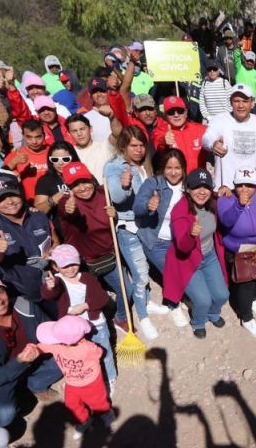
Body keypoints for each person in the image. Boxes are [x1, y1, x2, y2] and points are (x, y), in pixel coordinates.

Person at [0, 272, 62, 427]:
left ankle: (35, 384)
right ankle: (16, 396)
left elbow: (50, 333)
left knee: (69, 357)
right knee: (2, 415)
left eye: (0, 292)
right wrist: (19, 362)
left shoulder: (25, 306)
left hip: (33, 364)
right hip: (0, 380)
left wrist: (51, 345)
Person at [104, 126, 166, 341]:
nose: (139, 150)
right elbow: (117, 197)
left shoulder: (143, 163)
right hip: (128, 228)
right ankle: (143, 316)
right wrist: (124, 185)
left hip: (146, 224)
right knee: (140, 274)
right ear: (123, 145)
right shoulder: (114, 167)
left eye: (142, 145)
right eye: (134, 146)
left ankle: (146, 301)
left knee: (145, 267)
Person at [57, 162, 133, 330]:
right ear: (69, 187)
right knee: (93, 299)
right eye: (76, 185)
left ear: (91, 179)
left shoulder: (103, 193)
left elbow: (112, 221)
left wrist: (115, 215)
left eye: (84, 181)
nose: (82, 188)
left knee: (127, 290)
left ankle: (120, 318)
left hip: (108, 257)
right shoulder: (66, 202)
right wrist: (69, 209)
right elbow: (68, 211)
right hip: (84, 263)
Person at [40, 244, 116, 391]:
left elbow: (102, 298)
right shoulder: (57, 281)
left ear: (79, 261)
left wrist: (85, 306)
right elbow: (49, 295)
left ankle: (110, 378)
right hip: (74, 330)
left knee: (103, 351)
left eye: (73, 264)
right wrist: (49, 287)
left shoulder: (88, 278)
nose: (70, 269)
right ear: (55, 267)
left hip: (95, 324)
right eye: (65, 266)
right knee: (82, 355)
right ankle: (87, 377)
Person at [165, 169, 230, 338]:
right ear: (188, 189)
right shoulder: (180, 210)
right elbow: (182, 247)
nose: (202, 192)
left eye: (206, 187)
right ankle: (198, 322)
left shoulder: (212, 202)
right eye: (196, 187)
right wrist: (190, 234)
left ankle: (213, 314)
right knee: (203, 300)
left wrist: (228, 192)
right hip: (188, 261)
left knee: (222, 294)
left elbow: (229, 204)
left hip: (209, 256)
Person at [217, 169, 256, 338]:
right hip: (238, 248)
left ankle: (248, 301)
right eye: (240, 185)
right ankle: (246, 318)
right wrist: (239, 206)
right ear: (234, 185)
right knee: (245, 282)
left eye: (249, 185)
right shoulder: (226, 199)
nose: (244, 189)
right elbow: (226, 221)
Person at [31, 315, 114, 440]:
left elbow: (98, 353)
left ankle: (106, 415)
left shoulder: (87, 348)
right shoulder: (58, 345)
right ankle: (84, 420)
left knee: (98, 401)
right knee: (71, 404)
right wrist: (35, 349)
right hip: (71, 382)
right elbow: (42, 347)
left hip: (92, 382)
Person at [0, 175, 56, 309]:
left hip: (51, 287)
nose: (9, 201)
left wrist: (53, 251)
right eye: (1, 199)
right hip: (20, 296)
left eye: (13, 195)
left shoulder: (39, 216)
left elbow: (56, 241)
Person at [133, 148, 188, 320]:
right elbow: (137, 206)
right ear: (162, 168)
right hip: (155, 240)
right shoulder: (153, 183)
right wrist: (147, 205)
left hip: (179, 240)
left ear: (184, 168)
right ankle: (173, 304)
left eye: (177, 168)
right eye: (168, 168)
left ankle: (182, 295)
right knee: (172, 272)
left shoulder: (188, 186)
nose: (173, 172)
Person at [203, 84, 256, 192]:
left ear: (252, 103)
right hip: (226, 189)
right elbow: (206, 138)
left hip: (251, 188)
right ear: (230, 102)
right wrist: (213, 144)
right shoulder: (219, 120)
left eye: (245, 101)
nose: (240, 105)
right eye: (236, 101)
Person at [3, 119, 50, 201]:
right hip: (30, 203)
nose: (34, 142)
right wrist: (13, 162)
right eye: (29, 137)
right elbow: (0, 177)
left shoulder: (53, 151)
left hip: (55, 200)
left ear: (44, 135)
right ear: (23, 136)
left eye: (38, 137)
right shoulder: (16, 155)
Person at [31, 141, 78, 217]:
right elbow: (38, 212)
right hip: (60, 223)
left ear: (73, 158)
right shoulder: (45, 181)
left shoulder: (83, 175)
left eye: (65, 159)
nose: (60, 163)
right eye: (55, 159)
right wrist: (53, 199)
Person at [65, 114, 112, 181]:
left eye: (82, 129)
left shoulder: (105, 146)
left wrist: (112, 117)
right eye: (74, 131)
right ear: (69, 134)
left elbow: (117, 134)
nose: (79, 134)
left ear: (90, 129)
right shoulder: (68, 155)